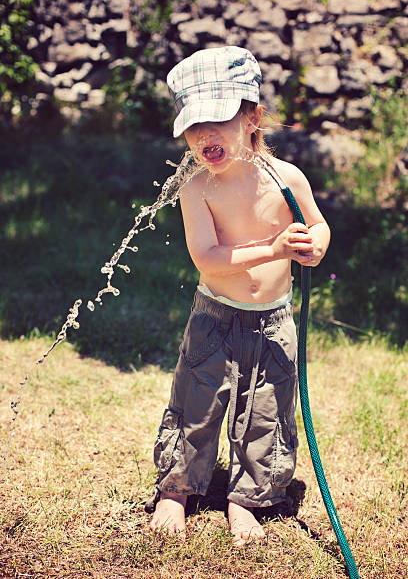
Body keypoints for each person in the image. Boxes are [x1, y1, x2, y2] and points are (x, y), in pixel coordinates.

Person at [145, 46, 330, 546]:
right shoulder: (197, 187)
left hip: (273, 319)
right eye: (192, 125)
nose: (204, 135)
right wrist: (272, 247)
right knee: (197, 402)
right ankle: (177, 489)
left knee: (265, 410)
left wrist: (314, 245)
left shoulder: (286, 178)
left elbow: (317, 225)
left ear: (251, 116)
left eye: (218, 119)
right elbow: (206, 258)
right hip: (215, 316)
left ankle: (248, 497)